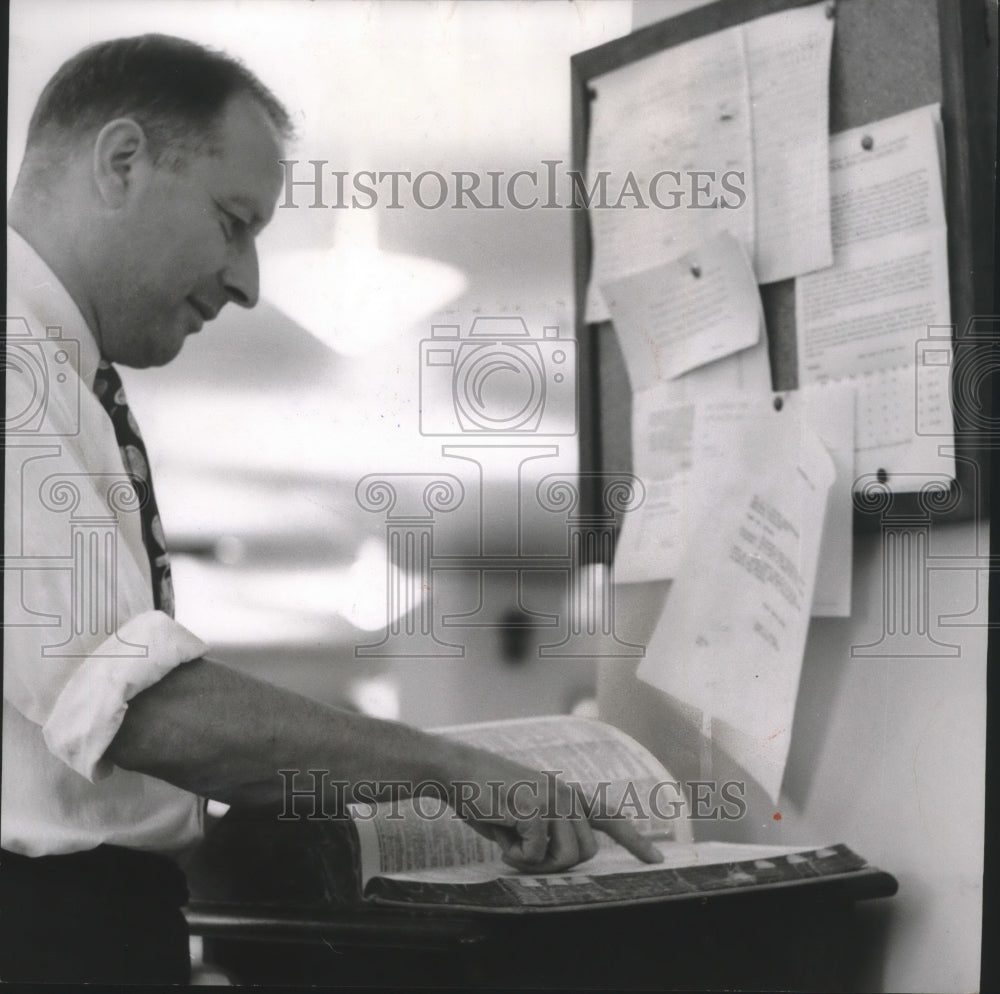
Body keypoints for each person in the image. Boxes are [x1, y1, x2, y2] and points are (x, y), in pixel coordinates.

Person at [3, 34, 660, 984]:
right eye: (234, 222)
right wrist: (452, 773)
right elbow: (130, 708)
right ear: (121, 162)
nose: (248, 282)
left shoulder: (60, 374)